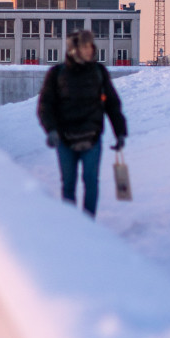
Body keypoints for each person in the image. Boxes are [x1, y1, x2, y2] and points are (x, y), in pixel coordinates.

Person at [37, 30, 128, 217]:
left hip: (91, 138)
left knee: (91, 181)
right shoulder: (57, 73)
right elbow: (46, 105)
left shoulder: (99, 72)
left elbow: (112, 104)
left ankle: (88, 225)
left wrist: (120, 132)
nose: (89, 50)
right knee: (68, 184)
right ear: (73, 49)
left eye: (90, 45)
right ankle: (72, 227)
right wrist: (51, 130)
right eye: (84, 46)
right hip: (65, 139)